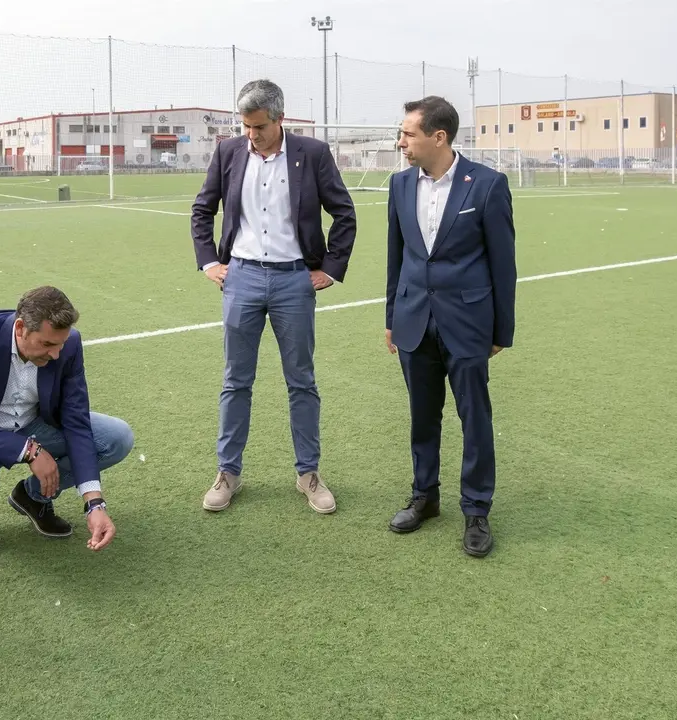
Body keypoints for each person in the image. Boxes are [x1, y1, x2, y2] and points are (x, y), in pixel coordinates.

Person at [190, 79, 357, 514]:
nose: (251, 135)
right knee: (235, 380)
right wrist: (209, 261)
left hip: (293, 282)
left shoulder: (313, 154)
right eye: (246, 126)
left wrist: (329, 270)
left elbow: (344, 212)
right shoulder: (228, 152)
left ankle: (308, 474)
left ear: (280, 119)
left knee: (301, 380)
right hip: (240, 278)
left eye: (259, 126)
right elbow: (202, 208)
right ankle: (228, 473)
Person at [384, 95, 517, 557]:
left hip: (468, 322)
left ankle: (476, 510)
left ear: (438, 137)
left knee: (473, 417)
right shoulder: (399, 185)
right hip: (414, 320)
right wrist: (391, 320)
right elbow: (396, 258)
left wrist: (502, 331)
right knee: (423, 416)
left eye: (408, 133)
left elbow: (504, 264)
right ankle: (426, 497)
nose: (400, 141)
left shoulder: (487, 185)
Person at [0, 286, 134, 564]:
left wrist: (94, 503)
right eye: (48, 344)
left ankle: (32, 496)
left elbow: (76, 421)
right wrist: (30, 451)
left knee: (117, 438)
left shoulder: (69, 343)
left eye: (60, 344)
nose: (56, 354)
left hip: (34, 424)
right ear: (20, 328)